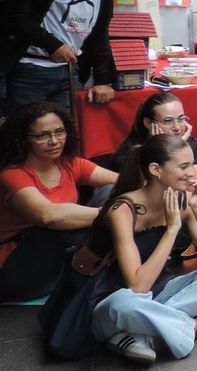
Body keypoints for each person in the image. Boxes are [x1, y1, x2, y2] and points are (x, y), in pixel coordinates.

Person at [89, 135, 197, 363]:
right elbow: (138, 286)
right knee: (125, 303)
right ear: (156, 169)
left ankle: (143, 332)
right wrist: (171, 229)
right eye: (184, 166)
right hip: (111, 305)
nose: (192, 173)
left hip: (158, 297)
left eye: (191, 165)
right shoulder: (122, 209)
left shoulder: (183, 199)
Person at [0, 103, 118, 301]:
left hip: (53, 262)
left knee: (112, 191)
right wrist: (113, 213)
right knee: (65, 227)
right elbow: (49, 216)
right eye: (42, 136)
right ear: (22, 139)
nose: (54, 141)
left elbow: (124, 181)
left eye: (59, 132)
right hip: (14, 270)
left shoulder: (69, 164)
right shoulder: (11, 175)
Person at [111, 93, 197, 188]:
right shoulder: (132, 149)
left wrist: (180, 146)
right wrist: (158, 149)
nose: (177, 127)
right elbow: (141, 187)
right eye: (168, 121)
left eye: (181, 119)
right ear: (148, 123)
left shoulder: (191, 143)